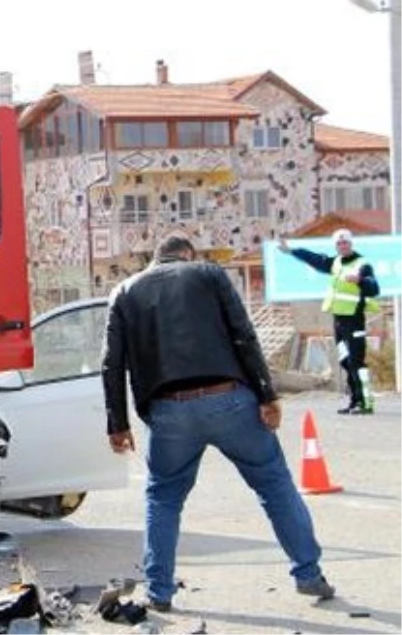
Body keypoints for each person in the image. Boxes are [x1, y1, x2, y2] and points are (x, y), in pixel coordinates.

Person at [101, 233, 335, 612]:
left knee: (163, 498)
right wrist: (267, 395)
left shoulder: (125, 292)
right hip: (231, 401)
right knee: (274, 483)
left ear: (155, 259)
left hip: (169, 411)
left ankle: (159, 592)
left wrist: (118, 423)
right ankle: (308, 574)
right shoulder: (208, 274)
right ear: (188, 256)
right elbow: (244, 335)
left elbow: (112, 362)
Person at [278, 229, 380, 414]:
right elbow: (316, 259)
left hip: (354, 321)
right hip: (339, 322)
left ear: (351, 244)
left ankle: (366, 402)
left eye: (346, 242)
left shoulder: (362, 264)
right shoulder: (336, 263)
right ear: (336, 246)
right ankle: (354, 400)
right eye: (339, 243)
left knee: (357, 362)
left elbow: (374, 288)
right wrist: (293, 251)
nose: (343, 246)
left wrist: (360, 280)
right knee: (345, 361)